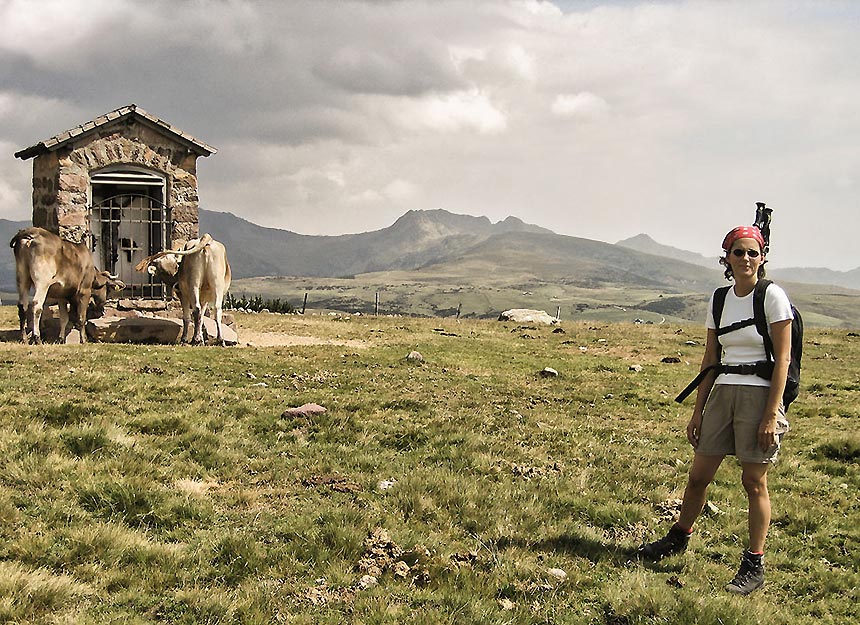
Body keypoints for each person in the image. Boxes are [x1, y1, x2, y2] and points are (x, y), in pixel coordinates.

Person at [638, 225, 793, 595]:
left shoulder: (772, 296)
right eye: (737, 253)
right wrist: (697, 412)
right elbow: (711, 359)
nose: (745, 259)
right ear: (726, 258)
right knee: (698, 476)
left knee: (753, 481)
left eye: (752, 253)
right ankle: (679, 536)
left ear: (763, 257)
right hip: (722, 392)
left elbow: (783, 359)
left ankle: (754, 563)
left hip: (759, 395)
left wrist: (772, 413)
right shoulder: (719, 300)